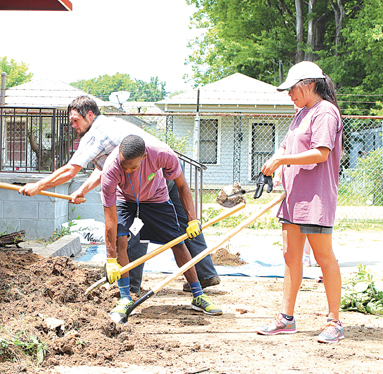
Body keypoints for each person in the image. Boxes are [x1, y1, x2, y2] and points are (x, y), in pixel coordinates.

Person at [18, 95, 220, 293]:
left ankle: (130, 286)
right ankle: (205, 273)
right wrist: (83, 190)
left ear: (89, 115)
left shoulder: (95, 134)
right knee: (187, 223)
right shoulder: (111, 124)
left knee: (132, 230)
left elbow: (70, 170)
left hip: (153, 177)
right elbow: (107, 168)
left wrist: (38, 186)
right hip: (166, 168)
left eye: (76, 120)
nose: (73, 125)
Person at [256, 61, 344, 343]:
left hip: (316, 196)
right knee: (290, 255)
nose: (289, 95)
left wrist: (283, 160)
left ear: (309, 85)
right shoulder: (301, 113)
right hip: (293, 195)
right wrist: (275, 160)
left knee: (323, 257)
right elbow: (286, 144)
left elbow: (320, 153)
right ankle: (286, 318)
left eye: (292, 89)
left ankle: (334, 321)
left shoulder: (325, 112)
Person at [101, 134, 222, 318]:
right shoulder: (111, 169)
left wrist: (192, 219)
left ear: (144, 157)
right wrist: (111, 259)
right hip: (124, 199)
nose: (126, 171)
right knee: (121, 240)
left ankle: (198, 295)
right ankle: (125, 298)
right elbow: (110, 219)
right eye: (124, 166)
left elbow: (182, 186)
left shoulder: (162, 154)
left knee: (178, 243)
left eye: (132, 167)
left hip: (156, 197)